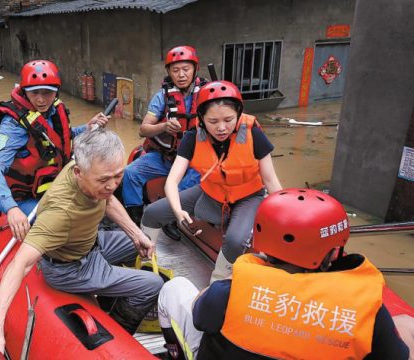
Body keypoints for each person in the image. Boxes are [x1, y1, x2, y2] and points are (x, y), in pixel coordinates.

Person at [0, 129, 163, 358]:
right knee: (152, 283)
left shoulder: (87, 171)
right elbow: (20, 264)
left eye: (118, 176)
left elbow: (108, 199)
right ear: (79, 173)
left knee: (141, 242)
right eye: (104, 180)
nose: (112, 185)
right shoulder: (60, 212)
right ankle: (117, 327)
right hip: (71, 267)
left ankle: (113, 291)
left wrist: (135, 234)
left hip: (90, 241)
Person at [156, 189, 411, 359]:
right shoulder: (367, 313)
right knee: (407, 325)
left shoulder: (231, 291)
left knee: (173, 287)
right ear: (334, 253)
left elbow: (201, 315)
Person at [141, 80, 282, 283]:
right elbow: (171, 181)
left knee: (234, 241)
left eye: (229, 119)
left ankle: (217, 281)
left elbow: (270, 180)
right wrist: (178, 211)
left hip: (249, 196)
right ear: (201, 118)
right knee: (152, 213)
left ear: (239, 115)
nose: (222, 128)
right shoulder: (193, 137)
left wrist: (282, 216)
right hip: (211, 191)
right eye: (213, 122)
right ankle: (147, 263)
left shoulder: (253, 134)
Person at [0, 60, 109, 241]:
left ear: (56, 91)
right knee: (61, 225)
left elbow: (59, 140)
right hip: (27, 197)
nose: (41, 100)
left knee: (100, 199)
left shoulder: (55, 110)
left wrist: (87, 127)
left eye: (47, 93)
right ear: (25, 92)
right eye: (34, 93)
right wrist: (11, 208)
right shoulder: (12, 125)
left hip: (56, 184)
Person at [121, 46, 207, 226]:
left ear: (195, 70)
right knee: (130, 173)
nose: (181, 75)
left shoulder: (207, 94)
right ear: (169, 72)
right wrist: (164, 126)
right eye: (176, 70)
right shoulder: (162, 97)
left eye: (186, 69)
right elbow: (143, 130)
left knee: (182, 189)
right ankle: (136, 220)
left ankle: (171, 221)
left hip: (195, 161)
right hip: (165, 157)